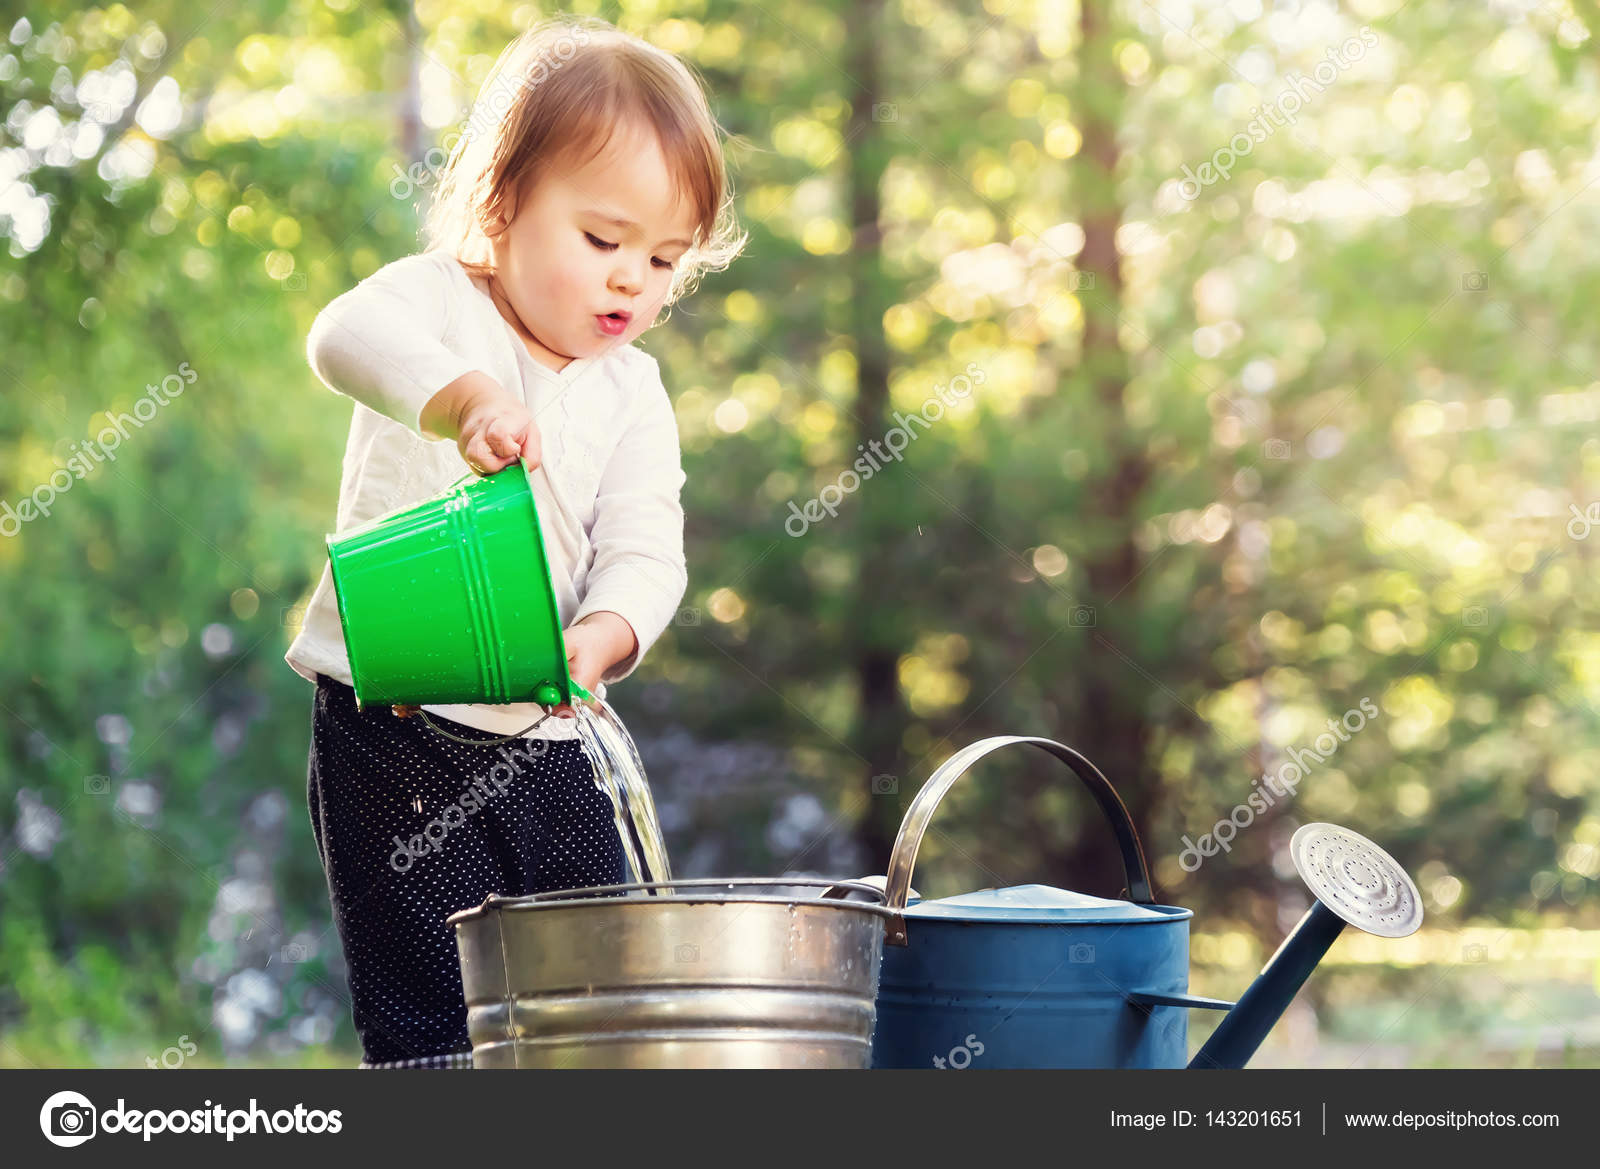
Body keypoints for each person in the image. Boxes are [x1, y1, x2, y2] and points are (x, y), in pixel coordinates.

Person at [283, 15, 747, 1067]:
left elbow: (648, 541)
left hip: (547, 731)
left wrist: (605, 634)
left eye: (665, 257)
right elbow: (340, 336)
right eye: (603, 240)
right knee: (431, 1011)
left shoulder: (634, 390)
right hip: (392, 718)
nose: (634, 278)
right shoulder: (439, 301)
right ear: (500, 207)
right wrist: (459, 398)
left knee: (600, 993)